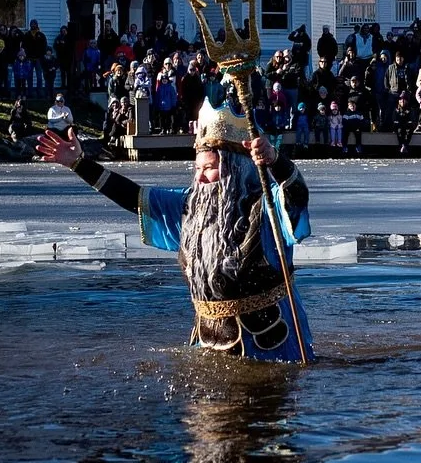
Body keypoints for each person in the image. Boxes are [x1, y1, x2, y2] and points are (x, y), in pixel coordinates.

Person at [37, 98, 312, 360]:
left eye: (210, 168)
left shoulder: (263, 207)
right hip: (207, 337)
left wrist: (275, 160)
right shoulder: (189, 205)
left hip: (268, 343)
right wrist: (79, 164)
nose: (200, 177)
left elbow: (296, 195)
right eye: (197, 168)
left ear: (234, 169)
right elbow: (135, 197)